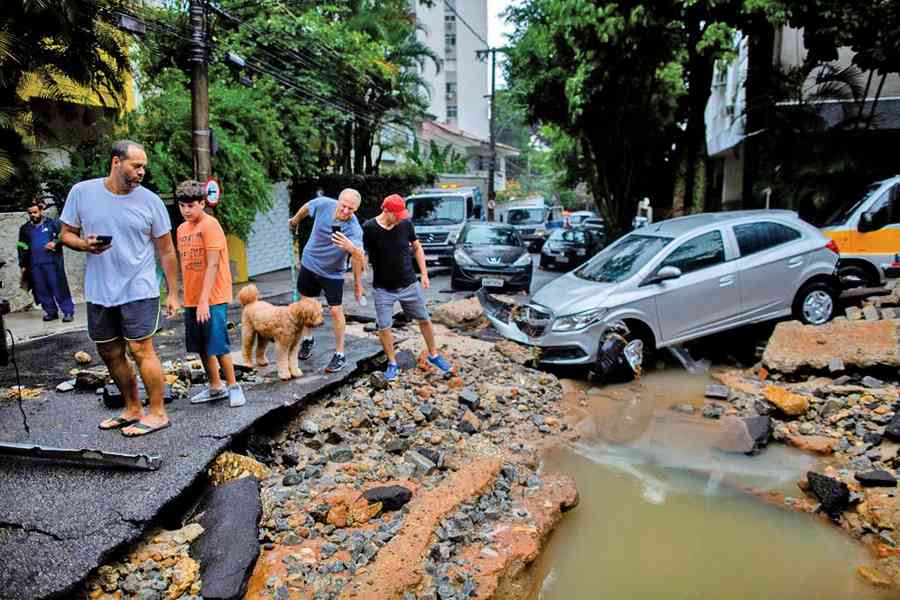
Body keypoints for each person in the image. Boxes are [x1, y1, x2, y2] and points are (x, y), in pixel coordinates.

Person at [60, 140, 180, 437]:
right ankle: (133, 408)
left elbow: (166, 251)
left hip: (139, 288)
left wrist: (174, 292)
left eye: (144, 167)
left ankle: (158, 412)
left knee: (141, 349)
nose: (142, 172)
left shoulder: (150, 201)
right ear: (116, 162)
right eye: (136, 166)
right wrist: (83, 244)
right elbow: (66, 234)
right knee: (110, 352)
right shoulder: (82, 192)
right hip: (100, 290)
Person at [362, 194, 454, 381]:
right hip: (383, 288)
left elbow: (417, 247)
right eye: (397, 214)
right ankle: (392, 363)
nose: (400, 218)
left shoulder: (405, 224)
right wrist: (361, 277)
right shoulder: (369, 228)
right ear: (386, 211)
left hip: (409, 284)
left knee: (424, 319)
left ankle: (434, 355)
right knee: (384, 327)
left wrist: (425, 274)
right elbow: (363, 253)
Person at [175, 180, 245, 408]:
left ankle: (234, 386)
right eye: (182, 206)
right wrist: (177, 296)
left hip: (212, 297)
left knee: (218, 343)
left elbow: (213, 265)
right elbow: (184, 265)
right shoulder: (181, 229)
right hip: (192, 298)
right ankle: (216, 387)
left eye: (191, 205)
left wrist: (204, 300)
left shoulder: (210, 225)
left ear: (202, 204)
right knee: (201, 345)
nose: (186, 210)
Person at [288, 188, 365, 373]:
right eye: (344, 206)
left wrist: (351, 248)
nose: (346, 211)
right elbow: (308, 207)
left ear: (356, 210)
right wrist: (295, 220)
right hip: (310, 262)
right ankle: (307, 339)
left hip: (332, 273)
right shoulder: (324, 204)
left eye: (351, 209)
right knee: (305, 304)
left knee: (336, 311)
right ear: (338, 200)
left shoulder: (354, 228)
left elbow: (360, 255)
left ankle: (340, 354)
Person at [17, 202, 75, 322]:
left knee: (59, 287)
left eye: (35, 212)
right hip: (34, 265)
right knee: (41, 289)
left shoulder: (53, 224)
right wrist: (23, 265)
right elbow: (21, 246)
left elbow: (63, 236)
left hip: (53, 263)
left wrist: (55, 242)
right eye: (30, 213)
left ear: (41, 211)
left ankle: (68, 312)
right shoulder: (25, 228)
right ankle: (51, 312)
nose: (32, 215)